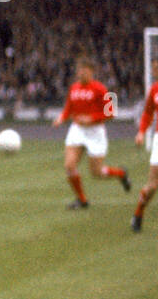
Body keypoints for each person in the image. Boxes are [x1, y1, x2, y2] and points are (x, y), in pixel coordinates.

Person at [52, 57, 129, 210]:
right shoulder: (73, 88)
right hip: (77, 130)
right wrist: (61, 117)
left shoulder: (100, 88)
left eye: (84, 70)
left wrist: (91, 118)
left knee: (97, 172)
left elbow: (111, 112)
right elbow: (69, 107)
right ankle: (82, 200)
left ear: (92, 72)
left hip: (95, 132)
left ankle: (120, 173)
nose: (81, 73)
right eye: (79, 70)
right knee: (69, 165)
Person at [131, 57, 158, 232]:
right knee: (153, 185)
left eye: (156, 68)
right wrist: (141, 132)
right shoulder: (155, 89)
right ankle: (138, 214)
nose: (153, 71)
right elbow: (148, 113)